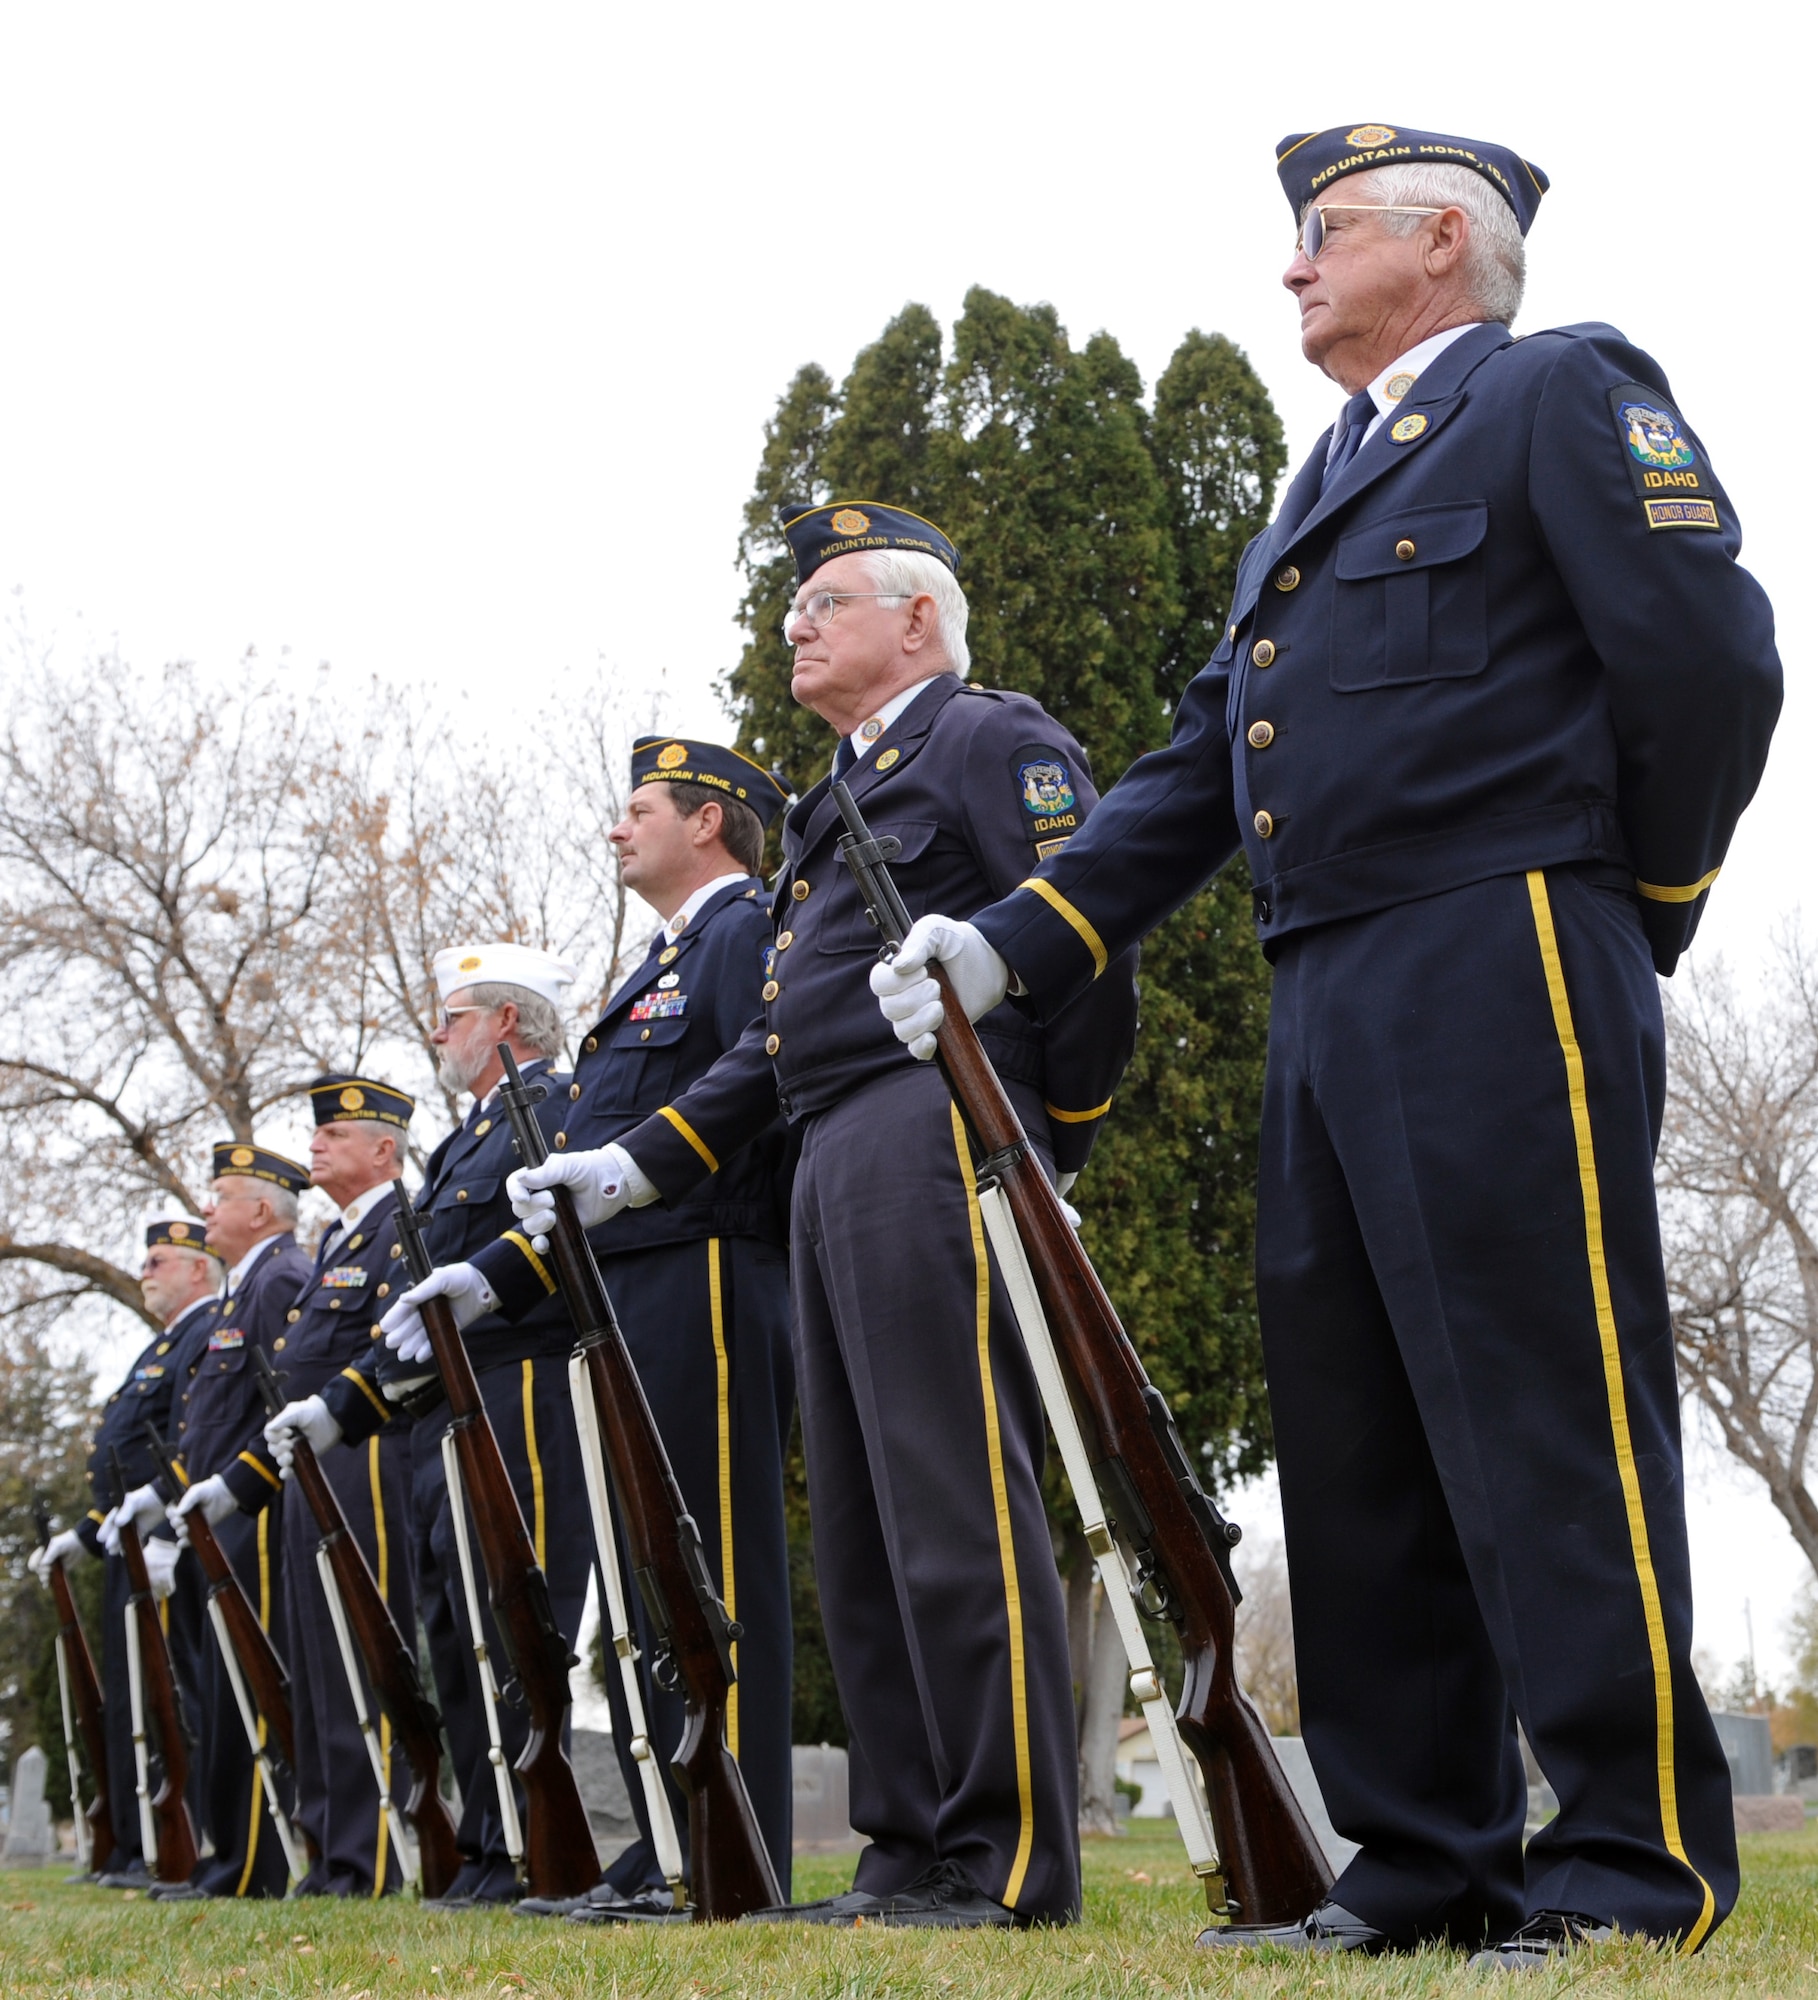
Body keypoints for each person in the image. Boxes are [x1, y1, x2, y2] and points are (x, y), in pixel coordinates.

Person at [874, 127, 1782, 1967]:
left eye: (1319, 236)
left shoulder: (1555, 391)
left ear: (1438, 240)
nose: (1289, 271)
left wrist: (1630, 898)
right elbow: (1206, 761)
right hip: (1332, 979)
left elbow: (1708, 663)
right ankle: (1419, 1864)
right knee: (1353, 1436)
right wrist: (1013, 942)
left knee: (1539, 1402)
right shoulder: (1318, 485)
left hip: (1502, 937)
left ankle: (1627, 1864)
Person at [475, 523, 1139, 1928]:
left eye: (825, 602)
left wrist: (1041, 1148)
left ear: (916, 619)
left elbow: (1088, 935)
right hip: (829, 1150)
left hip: (931, 1127)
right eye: (791, 609)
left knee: (953, 1494)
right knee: (862, 1518)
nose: (795, 626)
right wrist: (635, 1167)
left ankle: (1007, 1856)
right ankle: (909, 1848)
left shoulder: (980, 737)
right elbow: (771, 1047)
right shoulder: (838, 801)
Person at [386, 743, 798, 1920]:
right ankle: (671, 1833)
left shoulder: (740, 933)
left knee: (708, 1563)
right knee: (644, 1581)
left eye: (640, 810)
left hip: (709, 1267)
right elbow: (592, 1173)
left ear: (709, 821)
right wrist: (494, 1280)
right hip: (629, 1285)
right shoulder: (663, 955)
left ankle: (733, 1835)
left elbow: (751, 1082)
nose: (617, 830)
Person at [268, 945, 590, 1910]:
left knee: (518, 1615)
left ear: (504, 1024)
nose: (437, 1035)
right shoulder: (466, 1139)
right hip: (451, 1405)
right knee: (457, 1630)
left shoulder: (557, 1104)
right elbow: (416, 1302)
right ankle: (491, 1848)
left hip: (523, 1390)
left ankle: (544, 1840)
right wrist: (343, 1402)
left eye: (452, 1018)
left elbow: (544, 1254)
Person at [223, 1077, 419, 1897]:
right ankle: (335, 1853)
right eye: (317, 1134)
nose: (317, 1144)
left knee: (358, 1653)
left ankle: (372, 1851)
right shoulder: (338, 1242)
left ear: (383, 1149)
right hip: (313, 1465)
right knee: (316, 1660)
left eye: (336, 1135)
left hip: (364, 1458)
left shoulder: (400, 1227)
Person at [35, 1219, 222, 1888]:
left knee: (172, 1693)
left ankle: (178, 1841)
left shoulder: (204, 1333)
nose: (145, 1270)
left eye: (158, 1260)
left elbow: (188, 1443)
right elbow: (126, 1464)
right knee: (133, 1695)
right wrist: (84, 1533)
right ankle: (138, 1844)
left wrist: (167, 1526)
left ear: (198, 1268)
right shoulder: (163, 1344)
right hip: (130, 1541)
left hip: (166, 1539)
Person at [152, 1143, 314, 1897]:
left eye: (220, 1196)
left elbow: (277, 1403)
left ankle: (255, 1862)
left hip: (254, 1513)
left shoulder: (280, 1276)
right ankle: (231, 1858)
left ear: (259, 1210)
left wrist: (231, 1488)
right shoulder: (238, 1292)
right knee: (218, 1690)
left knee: (246, 1685)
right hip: (218, 1517)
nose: (206, 1209)